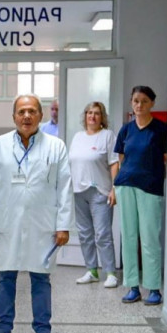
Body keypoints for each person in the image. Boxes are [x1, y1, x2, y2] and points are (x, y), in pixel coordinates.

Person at [0, 93, 74, 333]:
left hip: (42, 224)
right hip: (6, 223)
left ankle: (43, 332)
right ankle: (3, 330)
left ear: (41, 115)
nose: (27, 116)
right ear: (14, 117)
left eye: (32, 111)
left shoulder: (56, 146)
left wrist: (63, 225)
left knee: (41, 278)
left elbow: (64, 187)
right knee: (5, 277)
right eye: (21, 112)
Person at [113, 85, 167, 305]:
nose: (139, 105)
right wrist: (114, 187)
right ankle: (132, 287)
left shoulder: (160, 129)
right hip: (125, 185)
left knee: (150, 238)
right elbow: (121, 160)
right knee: (128, 236)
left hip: (150, 188)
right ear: (131, 103)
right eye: (136, 101)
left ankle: (154, 288)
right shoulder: (126, 130)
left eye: (144, 101)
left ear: (152, 103)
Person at [69, 101, 119, 288]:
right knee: (84, 234)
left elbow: (114, 162)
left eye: (97, 113)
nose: (92, 116)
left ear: (102, 117)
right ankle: (92, 270)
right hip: (78, 191)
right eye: (89, 112)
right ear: (85, 116)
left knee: (102, 234)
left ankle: (110, 273)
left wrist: (114, 188)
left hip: (100, 191)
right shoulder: (78, 137)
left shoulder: (107, 136)